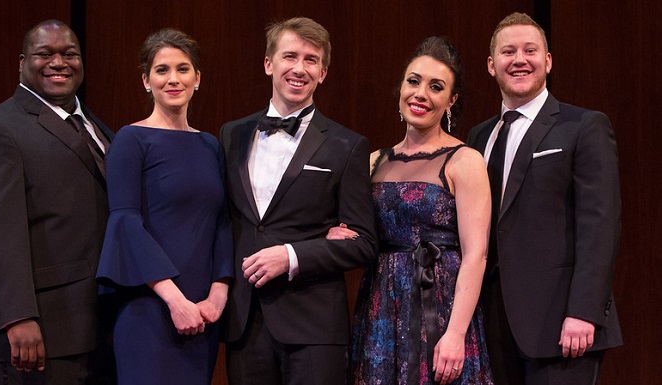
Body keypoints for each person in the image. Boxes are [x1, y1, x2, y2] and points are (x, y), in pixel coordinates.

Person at [0, 20, 115, 384]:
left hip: (94, 328)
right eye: (45, 54)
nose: (58, 62)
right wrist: (17, 317)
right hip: (35, 335)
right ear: (22, 62)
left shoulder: (96, 126)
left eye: (69, 54)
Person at [219, 17, 377, 385]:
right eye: (290, 56)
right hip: (245, 321)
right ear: (268, 63)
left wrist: (291, 255)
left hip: (313, 324)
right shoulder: (231, 135)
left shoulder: (347, 145)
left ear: (323, 72)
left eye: (311, 60)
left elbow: (365, 243)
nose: (299, 68)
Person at [467, 12, 622, 385]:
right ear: (491, 65)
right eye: (508, 52)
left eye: (530, 50)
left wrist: (584, 311)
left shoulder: (583, 126)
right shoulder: (477, 137)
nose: (519, 59)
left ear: (548, 61)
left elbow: (600, 224)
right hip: (491, 324)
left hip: (562, 325)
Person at [329, 37, 494, 385]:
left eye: (436, 87)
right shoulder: (374, 160)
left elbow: (476, 255)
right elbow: (361, 234)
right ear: (401, 87)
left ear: (451, 101)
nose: (421, 93)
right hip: (381, 309)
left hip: (441, 306)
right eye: (414, 81)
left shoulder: (465, 161)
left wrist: (455, 333)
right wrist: (338, 233)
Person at [95, 28, 233, 385]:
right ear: (146, 79)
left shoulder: (211, 145)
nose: (173, 79)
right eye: (162, 70)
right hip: (150, 309)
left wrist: (217, 294)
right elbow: (125, 224)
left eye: (183, 69)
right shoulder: (131, 139)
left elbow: (221, 222)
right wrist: (175, 301)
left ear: (197, 78)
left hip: (202, 314)